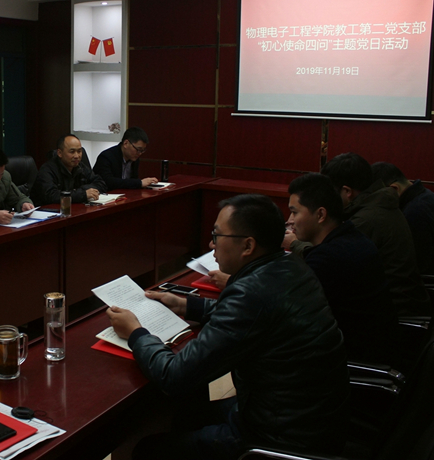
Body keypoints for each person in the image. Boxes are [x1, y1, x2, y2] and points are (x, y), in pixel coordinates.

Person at [107, 194, 349, 459]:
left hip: (278, 435)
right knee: (187, 411)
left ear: (248, 245)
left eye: (217, 235)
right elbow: (256, 316)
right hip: (309, 414)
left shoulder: (250, 293)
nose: (211, 244)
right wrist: (185, 305)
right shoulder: (290, 264)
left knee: (148, 450)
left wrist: (136, 333)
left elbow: (174, 375)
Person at [287, 173, 398, 364]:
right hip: (376, 350)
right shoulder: (352, 237)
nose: (290, 220)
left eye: (295, 212)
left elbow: (291, 316)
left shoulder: (328, 258)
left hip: (352, 362)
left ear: (320, 215)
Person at [312, 152, 431, 317]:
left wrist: (297, 243)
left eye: (330, 192)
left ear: (347, 191)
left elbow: (329, 261)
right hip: (401, 300)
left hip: (393, 310)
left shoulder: (366, 220)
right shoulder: (380, 205)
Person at [372, 161, 434, 276]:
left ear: (394, 189)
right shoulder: (427, 196)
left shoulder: (414, 214)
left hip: (425, 281)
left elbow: (411, 265)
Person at [30, 134, 107, 205]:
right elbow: (51, 196)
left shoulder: (80, 166)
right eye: (72, 152)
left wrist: (80, 191)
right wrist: (82, 194)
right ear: (60, 153)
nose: (77, 156)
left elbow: (101, 183)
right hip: (50, 211)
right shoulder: (47, 170)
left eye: (79, 151)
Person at [94, 127, 158, 190]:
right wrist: (139, 183)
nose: (140, 153)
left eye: (142, 150)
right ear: (125, 143)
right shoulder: (106, 157)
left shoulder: (134, 158)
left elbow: (133, 180)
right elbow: (108, 182)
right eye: (138, 149)